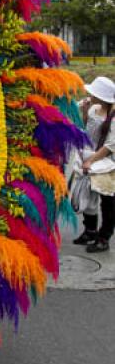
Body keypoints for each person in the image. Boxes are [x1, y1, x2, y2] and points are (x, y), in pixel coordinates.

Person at [73, 75, 115, 252]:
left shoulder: (112, 118)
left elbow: (110, 146)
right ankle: (90, 231)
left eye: (94, 93)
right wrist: (84, 112)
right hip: (91, 160)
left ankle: (104, 237)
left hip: (106, 163)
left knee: (107, 200)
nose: (90, 94)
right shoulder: (92, 109)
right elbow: (84, 129)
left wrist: (91, 160)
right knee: (88, 196)